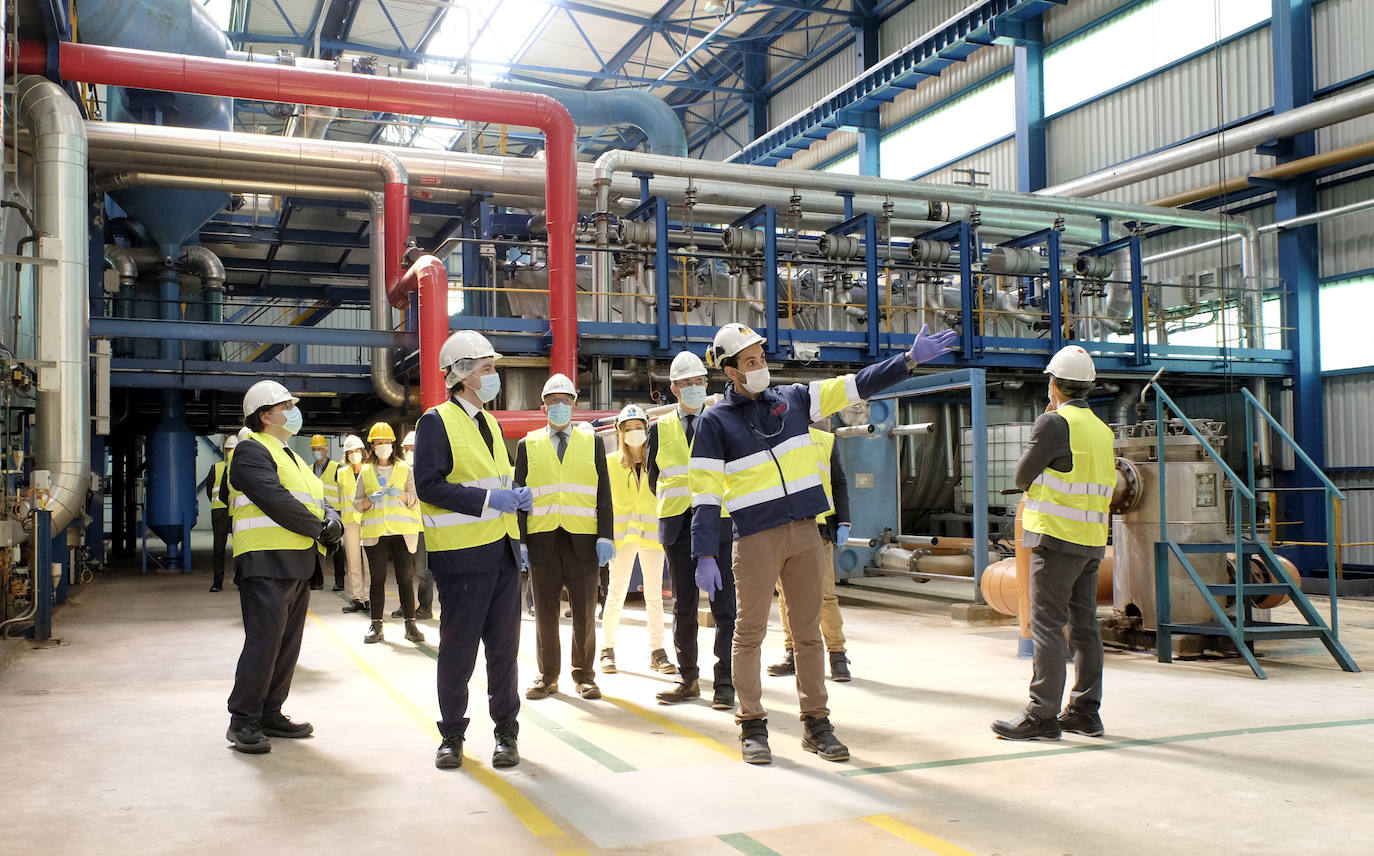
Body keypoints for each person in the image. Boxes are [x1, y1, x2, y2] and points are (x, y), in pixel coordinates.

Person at [690, 322, 957, 764]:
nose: (761, 367)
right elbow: (703, 493)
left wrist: (907, 362)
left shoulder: (795, 399)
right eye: (751, 362)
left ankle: (817, 723)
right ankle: (752, 725)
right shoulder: (714, 422)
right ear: (730, 371)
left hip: (806, 532)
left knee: (808, 633)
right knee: (749, 634)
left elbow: (856, 385)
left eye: (761, 358)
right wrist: (703, 552)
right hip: (755, 539)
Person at [414, 330, 530, 770]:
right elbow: (429, 486)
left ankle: (506, 733)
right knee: (459, 651)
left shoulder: (492, 425)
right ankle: (452, 736)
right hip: (461, 558)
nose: (494, 376)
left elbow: (493, 479)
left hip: (501, 553)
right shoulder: (436, 421)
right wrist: (488, 501)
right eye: (487, 369)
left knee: (504, 651)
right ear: (462, 375)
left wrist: (515, 498)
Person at [992, 345, 1113, 741]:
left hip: (1056, 539)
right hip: (1092, 541)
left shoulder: (1054, 424)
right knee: (1084, 627)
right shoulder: (1102, 429)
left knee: (1046, 626)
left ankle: (1041, 715)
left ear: (1053, 384)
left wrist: (1047, 418)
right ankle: (1084, 711)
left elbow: (1021, 476)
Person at [225, 380, 343, 754]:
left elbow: (316, 498)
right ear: (265, 414)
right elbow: (274, 499)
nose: (294, 411)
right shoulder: (250, 450)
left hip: (297, 561)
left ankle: (270, 712)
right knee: (264, 643)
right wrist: (319, 528)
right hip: (266, 560)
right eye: (287, 406)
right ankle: (243, 720)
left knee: (287, 645)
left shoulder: (291, 455)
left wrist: (332, 518)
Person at [514, 373, 614, 701]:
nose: (559, 406)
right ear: (543, 406)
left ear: (575, 403)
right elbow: (518, 496)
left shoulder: (592, 442)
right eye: (552, 401)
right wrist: (522, 541)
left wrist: (605, 535)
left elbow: (603, 494)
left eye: (565, 400)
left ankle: (584, 675)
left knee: (585, 611)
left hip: (583, 540)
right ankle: (547, 675)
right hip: (542, 539)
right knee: (544, 612)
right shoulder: (527, 444)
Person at [649, 350, 737, 710]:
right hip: (677, 526)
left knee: (724, 607)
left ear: (707, 383)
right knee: (683, 606)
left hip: (718, 525)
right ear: (673, 388)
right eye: (685, 383)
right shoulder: (659, 429)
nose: (693, 388)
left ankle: (726, 682)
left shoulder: (722, 422)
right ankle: (687, 679)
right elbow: (656, 479)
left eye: (699, 382)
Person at [769, 426, 852, 682]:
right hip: (781, 526)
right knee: (786, 597)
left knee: (825, 595)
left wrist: (844, 522)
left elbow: (838, 480)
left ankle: (837, 655)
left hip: (818, 529)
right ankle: (792, 651)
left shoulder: (825, 441)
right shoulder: (771, 439)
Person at [600, 404, 676, 677]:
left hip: (652, 536)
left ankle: (658, 651)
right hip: (621, 538)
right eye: (629, 429)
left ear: (647, 429)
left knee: (654, 595)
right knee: (616, 594)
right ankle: (607, 650)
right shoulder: (609, 462)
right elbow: (603, 502)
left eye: (639, 428)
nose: (634, 433)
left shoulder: (656, 462)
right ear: (620, 432)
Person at [354, 422, 424, 645]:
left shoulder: (405, 470)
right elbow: (356, 504)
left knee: (405, 578)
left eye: (386, 443)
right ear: (372, 446)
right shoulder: (365, 472)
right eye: (379, 443)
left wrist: (401, 495)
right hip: (375, 533)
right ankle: (376, 625)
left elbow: (415, 500)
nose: (383, 446)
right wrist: (368, 500)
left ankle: (410, 624)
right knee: (377, 579)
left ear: (392, 445)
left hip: (402, 533)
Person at [393, 430, 433, 620]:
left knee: (422, 571)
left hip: (422, 527)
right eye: (407, 449)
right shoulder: (399, 471)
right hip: (403, 526)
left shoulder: (429, 470)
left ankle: (425, 607)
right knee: (404, 570)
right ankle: (406, 606)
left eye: (413, 449)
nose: (409, 452)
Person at [337, 434, 371, 614]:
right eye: (350, 452)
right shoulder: (341, 473)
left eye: (357, 451)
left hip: (368, 521)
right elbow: (340, 497)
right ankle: (358, 597)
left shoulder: (370, 470)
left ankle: (371, 597)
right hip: (350, 522)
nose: (354, 454)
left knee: (370, 560)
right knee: (353, 562)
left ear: (363, 452)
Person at [310, 434, 347, 592]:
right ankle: (317, 580)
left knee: (337, 548)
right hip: (318, 511)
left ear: (326, 450)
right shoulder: (309, 469)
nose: (317, 451)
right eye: (314, 449)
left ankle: (340, 581)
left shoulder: (336, 468)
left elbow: (344, 489)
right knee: (316, 547)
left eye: (319, 448)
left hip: (335, 511)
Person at [206, 434, 238, 592]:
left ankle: (240, 580)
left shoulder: (240, 469)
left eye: (232, 449)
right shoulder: (216, 468)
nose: (229, 452)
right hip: (220, 513)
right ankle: (217, 583)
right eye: (228, 449)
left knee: (239, 549)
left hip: (236, 512)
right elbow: (209, 490)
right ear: (225, 451)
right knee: (218, 550)